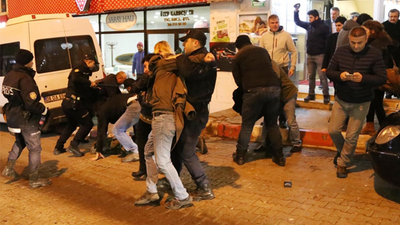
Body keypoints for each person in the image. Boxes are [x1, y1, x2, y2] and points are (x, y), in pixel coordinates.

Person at [135, 41, 213, 209]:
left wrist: (205, 57)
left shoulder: (164, 63)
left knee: (162, 160)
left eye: (148, 65)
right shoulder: (161, 71)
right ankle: (151, 191)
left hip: (164, 117)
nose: (147, 69)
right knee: (149, 152)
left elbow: (185, 58)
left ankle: (182, 195)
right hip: (160, 117)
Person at [326, 27, 387, 178]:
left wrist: (364, 78)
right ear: (349, 39)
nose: (356, 46)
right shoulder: (341, 51)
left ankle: (343, 163)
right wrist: (340, 76)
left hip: (361, 101)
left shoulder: (375, 53)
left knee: (352, 137)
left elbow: (382, 78)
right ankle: (343, 152)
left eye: (359, 43)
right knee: (333, 130)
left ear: (366, 39)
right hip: (341, 99)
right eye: (353, 42)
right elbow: (329, 71)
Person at [172, 29, 217, 201]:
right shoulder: (200, 58)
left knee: (186, 151)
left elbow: (187, 71)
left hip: (195, 113)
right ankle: (174, 180)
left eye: (186, 41)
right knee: (177, 147)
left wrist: (178, 57)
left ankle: (204, 187)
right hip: (193, 112)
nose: (183, 44)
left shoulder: (204, 60)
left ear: (195, 43)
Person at [1, 49, 51, 188]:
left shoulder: (9, 75)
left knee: (20, 141)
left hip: (12, 115)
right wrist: (44, 109)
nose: (33, 62)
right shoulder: (25, 79)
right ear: (27, 62)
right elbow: (31, 103)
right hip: (26, 118)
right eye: (31, 60)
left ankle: (9, 168)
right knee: (35, 148)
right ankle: (34, 179)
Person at [231, 35, 284, 167]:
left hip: (253, 91)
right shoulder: (262, 51)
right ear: (249, 42)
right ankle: (279, 157)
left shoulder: (237, 57)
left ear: (238, 47)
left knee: (247, 125)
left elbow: (238, 81)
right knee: (272, 124)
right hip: (274, 88)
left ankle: (240, 156)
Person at [54, 54, 99, 157]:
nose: (93, 66)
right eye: (93, 63)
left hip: (68, 102)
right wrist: (89, 83)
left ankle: (59, 147)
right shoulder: (78, 70)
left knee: (72, 124)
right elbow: (75, 79)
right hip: (74, 103)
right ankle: (74, 145)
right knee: (87, 124)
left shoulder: (83, 71)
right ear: (89, 61)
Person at [360, 20, 393, 135]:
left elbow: (373, 62)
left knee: (376, 103)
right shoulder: (383, 40)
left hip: (375, 77)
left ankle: (384, 128)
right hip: (379, 76)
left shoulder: (375, 44)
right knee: (375, 103)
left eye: (365, 30)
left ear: (372, 31)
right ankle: (372, 125)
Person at [91, 79, 136, 161]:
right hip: (132, 104)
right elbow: (101, 131)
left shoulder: (104, 111)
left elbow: (101, 132)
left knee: (118, 130)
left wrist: (98, 150)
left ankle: (135, 151)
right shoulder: (111, 104)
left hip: (129, 106)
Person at [294, 4, 331, 104]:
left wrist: (327, 54)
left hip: (320, 55)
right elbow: (297, 22)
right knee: (311, 76)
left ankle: (326, 95)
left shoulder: (323, 27)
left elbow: (329, 40)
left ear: (316, 17)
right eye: (309, 17)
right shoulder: (309, 26)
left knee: (322, 76)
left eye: (311, 17)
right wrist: (296, 11)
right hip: (310, 55)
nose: (309, 19)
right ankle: (311, 94)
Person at [382, 9, 400, 99]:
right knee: (388, 74)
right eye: (391, 16)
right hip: (388, 54)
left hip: (399, 53)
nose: (393, 18)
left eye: (395, 17)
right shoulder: (383, 26)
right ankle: (388, 92)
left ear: (398, 17)